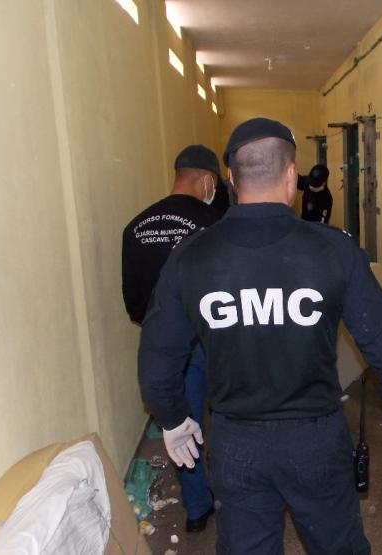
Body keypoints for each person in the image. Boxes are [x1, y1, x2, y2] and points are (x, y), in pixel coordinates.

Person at [138, 117, 382, 554]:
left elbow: (157, 359)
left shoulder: (191, 257)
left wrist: (172, 419)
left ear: (231, 180)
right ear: (291, 176)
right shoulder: (333, 249)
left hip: (236, 442)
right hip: (316, 439)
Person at [121, 144, 225, 533]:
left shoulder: (135, 227)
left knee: (183, 424)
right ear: (207, 181)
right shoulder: (214, 223)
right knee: (230, 414)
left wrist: (157, 329)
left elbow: (133, 301)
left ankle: (197, 509)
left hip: (166, 344)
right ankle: (237, 489)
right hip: (213, 338)